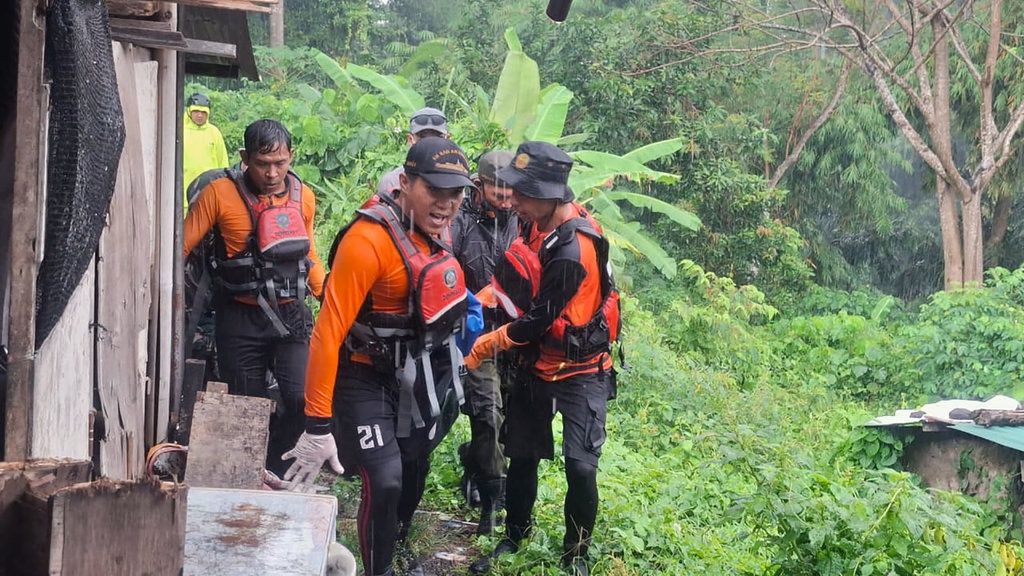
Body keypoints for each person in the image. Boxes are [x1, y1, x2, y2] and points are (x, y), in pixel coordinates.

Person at [283, 137, 477, 576]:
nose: (446, 204)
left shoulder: (438, 233)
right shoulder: (367, 241)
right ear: (405, 183)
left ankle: (388, 550)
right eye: (435, 190)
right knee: (385, 479)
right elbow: (327, 333)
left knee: (407, 471)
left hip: (411, 379)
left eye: (456, 193)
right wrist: (318, 425)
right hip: (363, 377)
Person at [465, 142, 619, 576]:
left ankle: (576, 556)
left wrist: (485, 345)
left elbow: (535, 321)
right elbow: (510, 282)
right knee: (523, 453)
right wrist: (473, 306)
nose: (512, 200)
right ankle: (514, 537)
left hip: (581, 366)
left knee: (581, 467)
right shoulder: (532, 223)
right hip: (538, 362)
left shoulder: (574, 250)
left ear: (552, 196)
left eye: (521, 193)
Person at [183, 119, 325, 481]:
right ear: (246, 158)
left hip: (291, 314)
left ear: (291, 156)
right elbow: (181, 247)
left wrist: (327, 294)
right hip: (239, 318)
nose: (273, 173)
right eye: (263, 164)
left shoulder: (302, 196)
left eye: (280, 163)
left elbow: (308, 255)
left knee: (299, 399)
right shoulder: (218, 194)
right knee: (249, 407)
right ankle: (250, 478)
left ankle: (275, 468)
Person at [447, 150, 518, 534]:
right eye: (498, 189)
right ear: (480, 185)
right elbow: (443, 269)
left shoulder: (524, 219)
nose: (506, 197)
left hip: (515, 335)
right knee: (486, 413)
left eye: (511, 190)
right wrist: (477, 298)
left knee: (508, 421)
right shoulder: (459, 220)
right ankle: (493, 506)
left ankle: (474, 462)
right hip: (475, 332)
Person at [376, 106, 450, 196]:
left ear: (448, 140)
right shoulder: (393, 181)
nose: (431, 144)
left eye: (437, 138)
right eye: (423, 138)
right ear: (410, 140)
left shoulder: (456, 179)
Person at [182, 92, 229, 209]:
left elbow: (223, 164)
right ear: (189, 111)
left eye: (203, 112)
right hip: (182, 194)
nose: (199, 115)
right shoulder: (179, 130)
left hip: (209, 193)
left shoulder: (214, 133)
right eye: (196, 111)